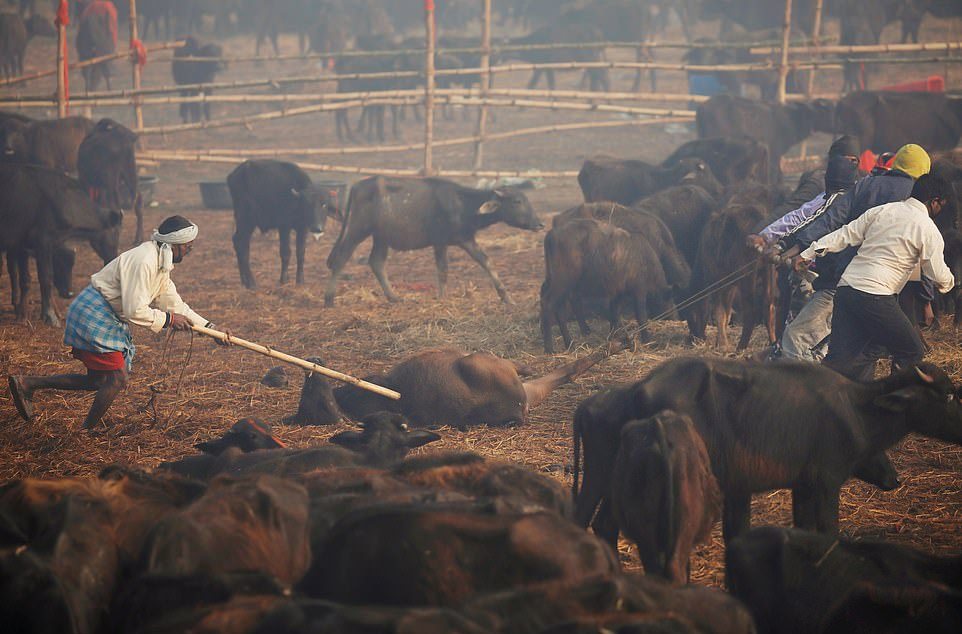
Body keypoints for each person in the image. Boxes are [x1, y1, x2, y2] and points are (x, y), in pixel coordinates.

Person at [8, 216, 225, 430]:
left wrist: (212, 330)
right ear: (174, 245)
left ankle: (28, 383)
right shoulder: (144, 260)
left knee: (98, 381)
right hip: (94, 313)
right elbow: (135, 310)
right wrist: (168, 320)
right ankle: (87, 430)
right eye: (188, 247)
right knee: (117, 379)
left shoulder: (160, 264)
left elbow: (176, 305)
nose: (190, 251)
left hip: (105, 314)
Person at [771, 143, 932, 362]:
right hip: (889, 288)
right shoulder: (916, 200)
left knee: (811, 343)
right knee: (878, 351)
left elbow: (831, 219)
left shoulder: (866, 185)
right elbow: (926, 254)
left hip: (844, 279)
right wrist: (926, 299)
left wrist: (799, 248)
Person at [795, 174, 955, 380]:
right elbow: (936, 272)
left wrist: (808, 252)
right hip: (876, 296)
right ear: (934, 202)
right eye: (941, 205)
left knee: (840, 359)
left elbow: (845, 234)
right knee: (911, 350)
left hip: (846, 290)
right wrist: (950, 283)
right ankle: (896, 397)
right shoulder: (927, 228)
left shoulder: (883, 211)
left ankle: (821, 394)